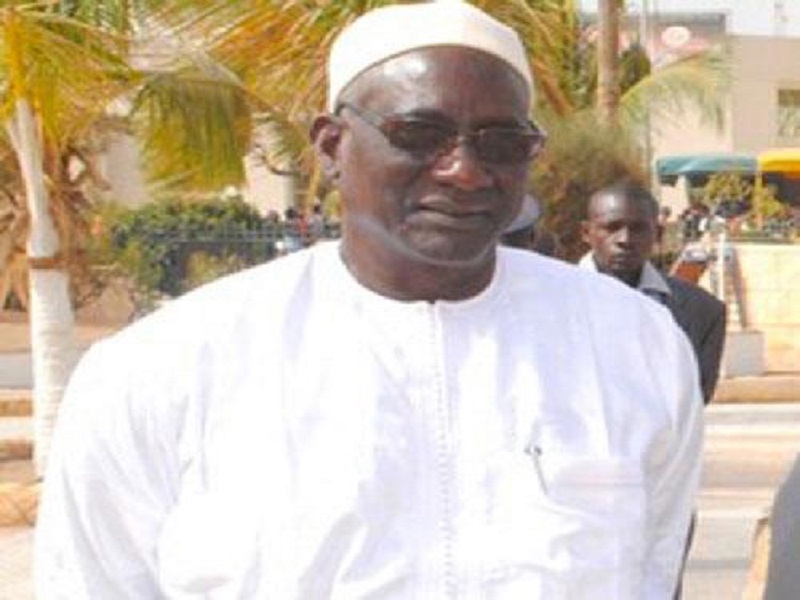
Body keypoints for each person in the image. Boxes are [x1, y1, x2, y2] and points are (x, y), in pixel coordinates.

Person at [35, 3, 703, 598]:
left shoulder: (632, 346)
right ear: (332, 146)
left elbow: (653, 567)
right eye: (419, 134)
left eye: (501, 143)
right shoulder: (166, 368)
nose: (464, 170)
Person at [579, 181, 727, 405]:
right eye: (611, 228)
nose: (625, 239)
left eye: (638, 229)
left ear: (657, 233)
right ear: (586, 233)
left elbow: (694, 401)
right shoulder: (546, 303)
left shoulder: (701, 310)